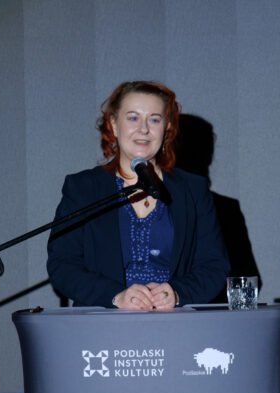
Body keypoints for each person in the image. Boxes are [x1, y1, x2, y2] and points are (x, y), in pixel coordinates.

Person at [47, 80, 230, 310]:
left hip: (174, 321)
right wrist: (115, 297)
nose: (144, 129)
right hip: (102, 323)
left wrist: (177, 293)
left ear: (167, 128)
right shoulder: (83, 188)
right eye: (133, 118)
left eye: (154, 119)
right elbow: (62, 265)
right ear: (114, 125)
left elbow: (214, 267)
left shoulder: (193, 190)